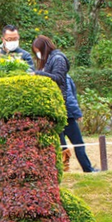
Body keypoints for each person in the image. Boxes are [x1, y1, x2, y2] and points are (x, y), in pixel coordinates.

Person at [31, 35, 98, 173]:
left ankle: (87, 168)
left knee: (77, 142)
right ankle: (64, 169)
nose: (37, 54)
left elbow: (59, 79)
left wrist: (38, 74)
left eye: (38, 50)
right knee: (61, 144)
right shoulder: (49, 61)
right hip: (56, 108)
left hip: (64, 109)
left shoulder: (58, 59)